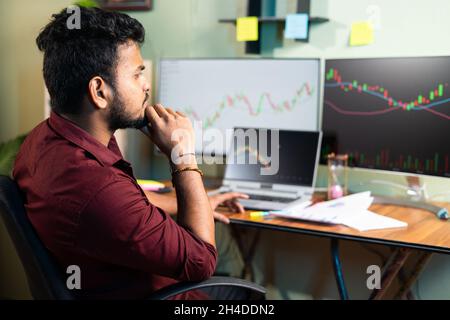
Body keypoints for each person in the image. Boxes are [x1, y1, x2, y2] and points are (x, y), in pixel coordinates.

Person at [13, 6, 246, 299]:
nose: (146, 86)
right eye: (137, 74)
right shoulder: (98, 188)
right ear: (99, 91)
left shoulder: (44, 141)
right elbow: (201, 262)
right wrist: (183, 155)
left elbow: (126, 199)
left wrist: (193, 200)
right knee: (246, 291)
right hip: (170, 297)